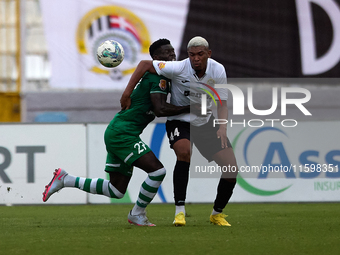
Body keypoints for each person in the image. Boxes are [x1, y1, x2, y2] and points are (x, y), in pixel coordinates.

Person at [42, 38, 191, 226]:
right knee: (158, 171)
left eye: (173, 52)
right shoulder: (158, 77)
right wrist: (191, 107)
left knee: (116, 190)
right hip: (123, 133)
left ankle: (66, 179)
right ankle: (137, 214)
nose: (172, 55)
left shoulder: (165, 77)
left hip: (118, 131)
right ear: (156, 58)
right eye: (167, 52)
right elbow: (160, 109)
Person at [120, 36, 238, 227]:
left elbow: (222, 102)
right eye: (192, 55)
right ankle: (180, 212)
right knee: (184, 153)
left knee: (231, 169)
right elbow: (143, 64)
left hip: (206, 122)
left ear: (208, 54)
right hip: (179, 122)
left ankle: (217, 214)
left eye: (200, 54)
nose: (196, 58)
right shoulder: (179, 67)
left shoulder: (218, 69)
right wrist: (126, 93)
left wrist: (223, 126)